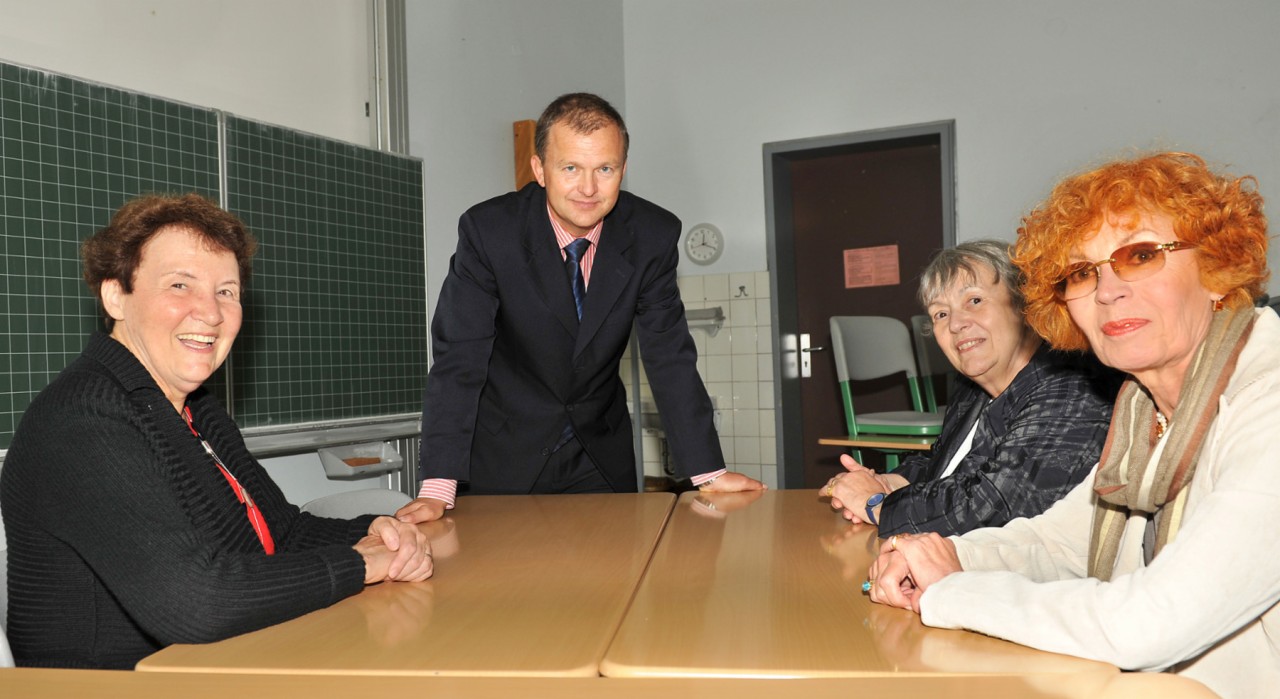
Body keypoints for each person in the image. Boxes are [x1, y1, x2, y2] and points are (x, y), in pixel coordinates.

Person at [865, 152, 1276, 699]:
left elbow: (1150, 623)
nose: (1107, 291)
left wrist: (950, 591)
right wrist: (943, 554)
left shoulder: (1266, 403)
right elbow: (1058, 543)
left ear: (1217, 269)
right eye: (1083, 273)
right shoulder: (1143, 412)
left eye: (1140, 255)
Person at [0, 194, 433, 669]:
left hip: (226, 662)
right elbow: (195, 602)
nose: (210, 312)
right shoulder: (82, 420)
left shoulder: (196, 408)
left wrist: (380, 533)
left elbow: (280, 533)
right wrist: (360, 562)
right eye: (180, 285)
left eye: (226, 291)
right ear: (115, 296)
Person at [397, 93, 763, 524]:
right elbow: (460, 359)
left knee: (612, 586)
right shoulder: (489, 232)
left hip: (600, 456)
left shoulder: (652, 235)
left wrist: (708, 471)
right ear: (539, 169)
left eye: (604, 169)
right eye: (570, 168)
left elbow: (670, 356)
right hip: (503, 455)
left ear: (623, 171)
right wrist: (438, 486)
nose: (588, 189)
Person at [823, 240, 1118, 536]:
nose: (956, 324)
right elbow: (941, 463)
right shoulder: (971, 388)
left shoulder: (1071, 388)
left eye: (974, 301)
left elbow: (994, 506)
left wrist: (876, 503)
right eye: (941, 314)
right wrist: (887, 483)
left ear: (1025, 305)